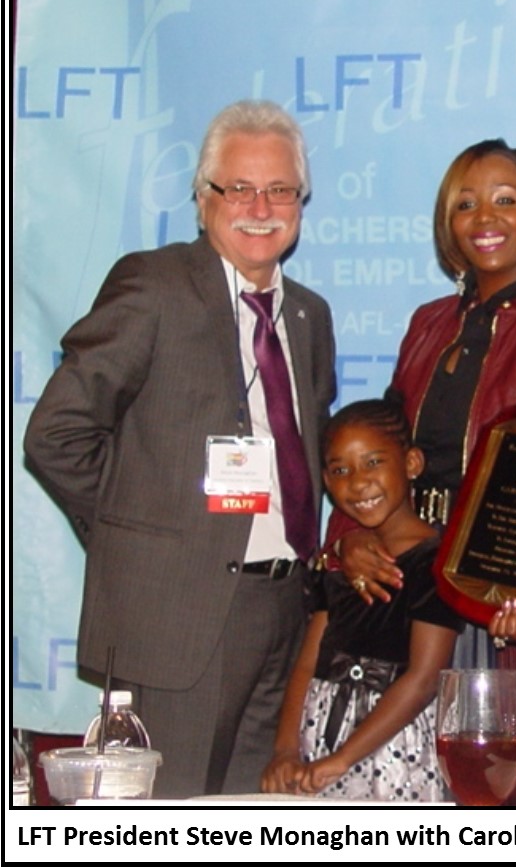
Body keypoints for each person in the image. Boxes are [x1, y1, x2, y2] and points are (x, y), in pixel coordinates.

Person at [23, 100, 336, 798]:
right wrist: (145, 535)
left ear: (301, 203)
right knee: (172, 820)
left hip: (285, 611)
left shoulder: (310, 314)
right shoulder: (154, 286)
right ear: (203, 199)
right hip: (179, 615)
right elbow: (56, 434)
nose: (261, 208)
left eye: (280, 189)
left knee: (251, 819)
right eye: (239, 188)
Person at [329, 139, 516, 806]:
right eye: (465, 204)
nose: (484, 217)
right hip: (413, 595)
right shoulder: (427, 325)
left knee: (511, 805)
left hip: (513, 611)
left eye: (505, 200)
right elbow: (379, 451)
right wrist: (348, 537)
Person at [262, 398, 461, 800]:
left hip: (391, 749)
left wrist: (343, 759)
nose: (357, 482)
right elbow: (307, 664)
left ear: (411, 463)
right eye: (340, 470)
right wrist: (285, 751)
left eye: (373, 463)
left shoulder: (438, 563)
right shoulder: (340, 562)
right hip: (318, 740)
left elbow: (423, 680)